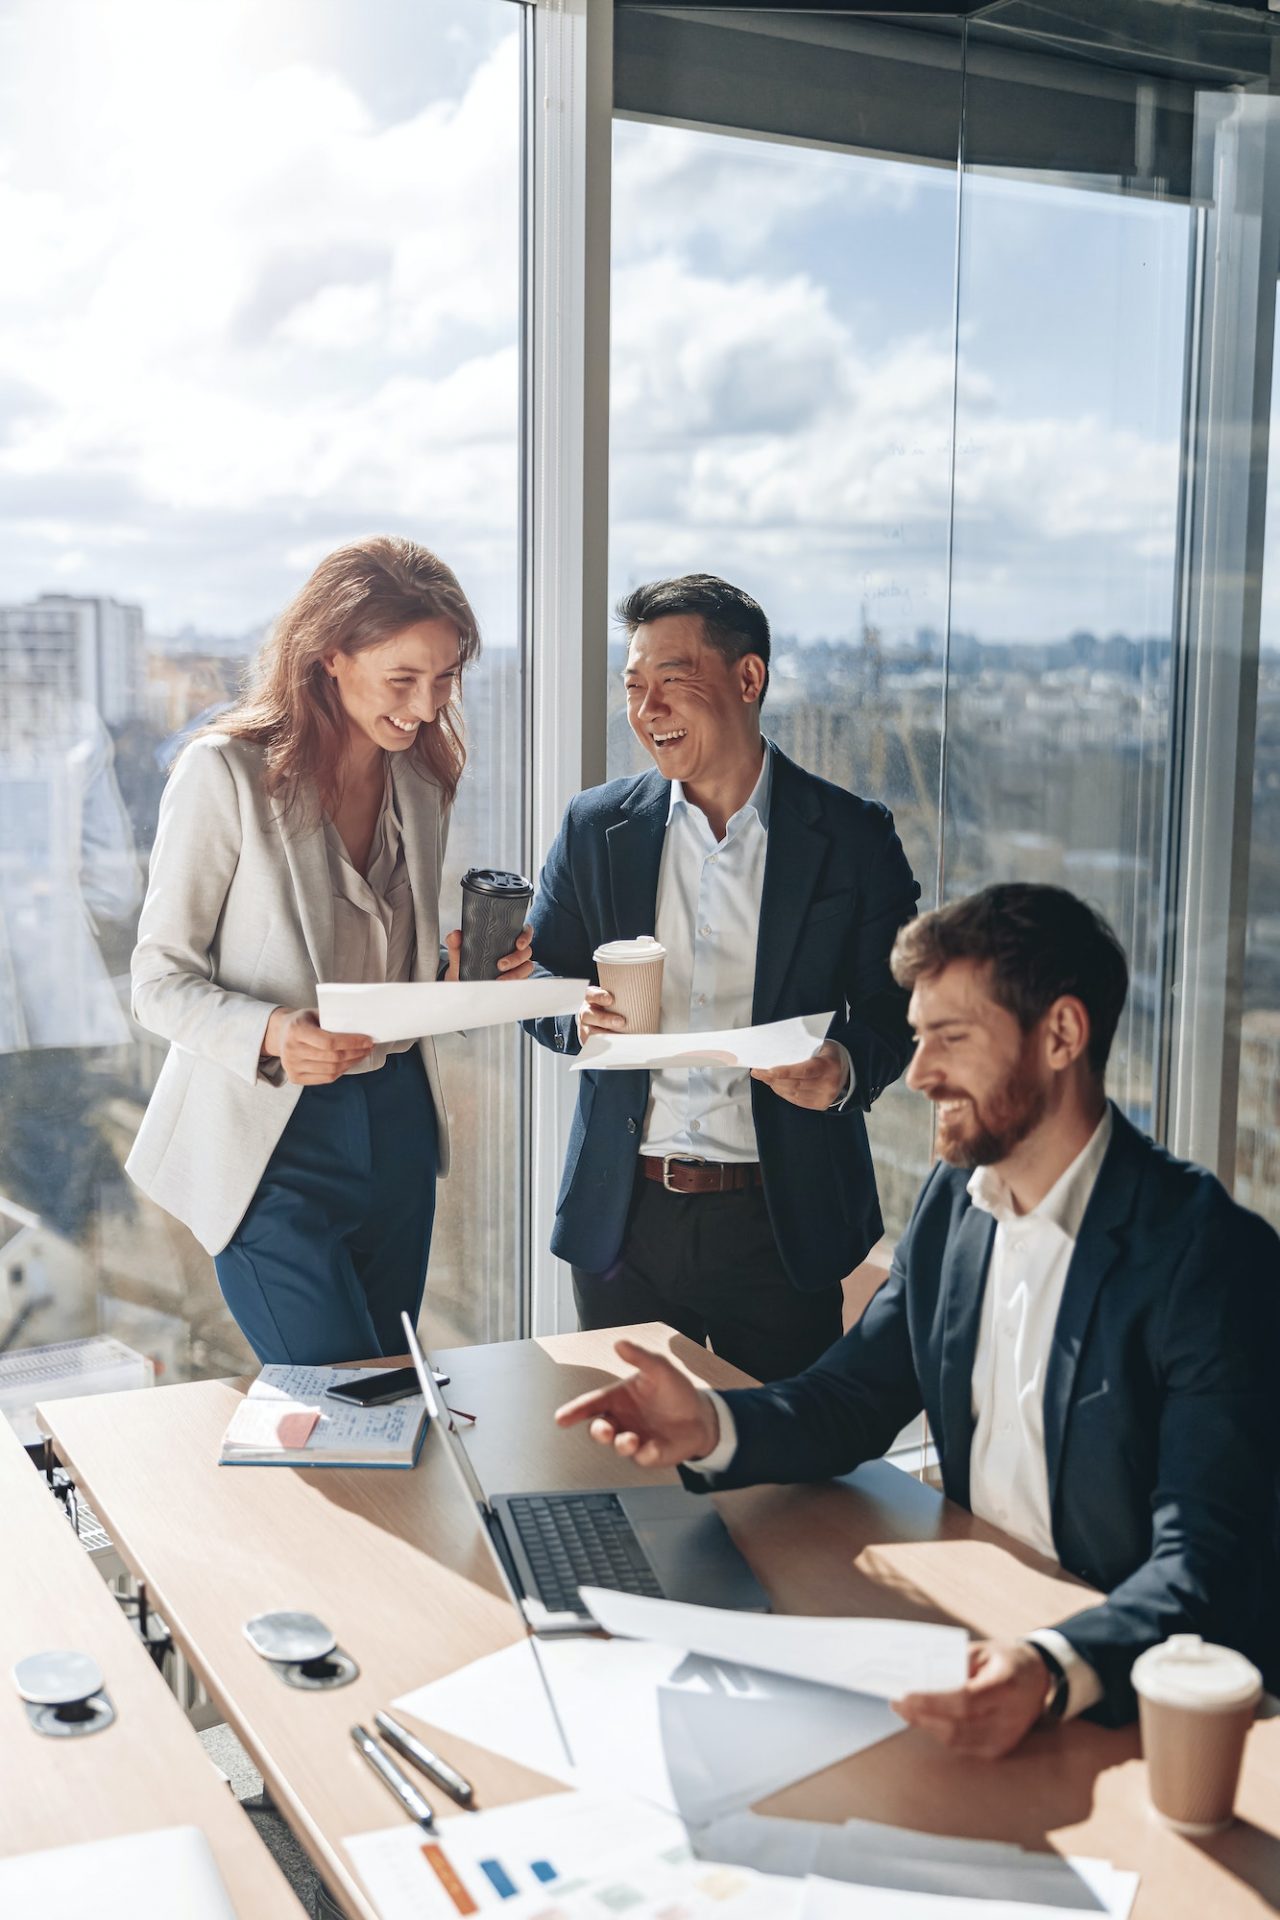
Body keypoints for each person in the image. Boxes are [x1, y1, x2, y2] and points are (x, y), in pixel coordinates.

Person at [555, 883, 1280, 1754]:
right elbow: (855, 1397)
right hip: (979, 1624)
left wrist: (1051, 1667)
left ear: (1062, 1035)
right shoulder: (957, 1200)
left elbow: (1205, 1565)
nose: (921, 1073)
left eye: (952, 1038)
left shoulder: (1210, 1259)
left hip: (1134, 1694)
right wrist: (711, 1423)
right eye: (919, 1037)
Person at [127, 537, 532, 1365]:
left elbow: (392, 973)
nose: (427, 707)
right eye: (403, 679)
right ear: (330, 657)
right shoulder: (223, 774)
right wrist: (275, 1032)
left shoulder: (421, 781)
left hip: (397, 1127)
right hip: (270, 1136)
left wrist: (463, 978)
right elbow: (157, 980)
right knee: (337, 1389)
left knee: (390, 1386)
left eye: (445, 678)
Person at [527, 574, 920, 1381]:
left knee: (785, 1456)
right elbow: (538, 974)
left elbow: (902, 1005)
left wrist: (844, 1069)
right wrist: (575, 1016)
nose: (648, 708)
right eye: (634, 686)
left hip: (782, 1220)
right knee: (630, 1450)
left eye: (672, 678)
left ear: (748, 678)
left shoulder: (852, 836)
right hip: (623, 1220)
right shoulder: (594, 827)